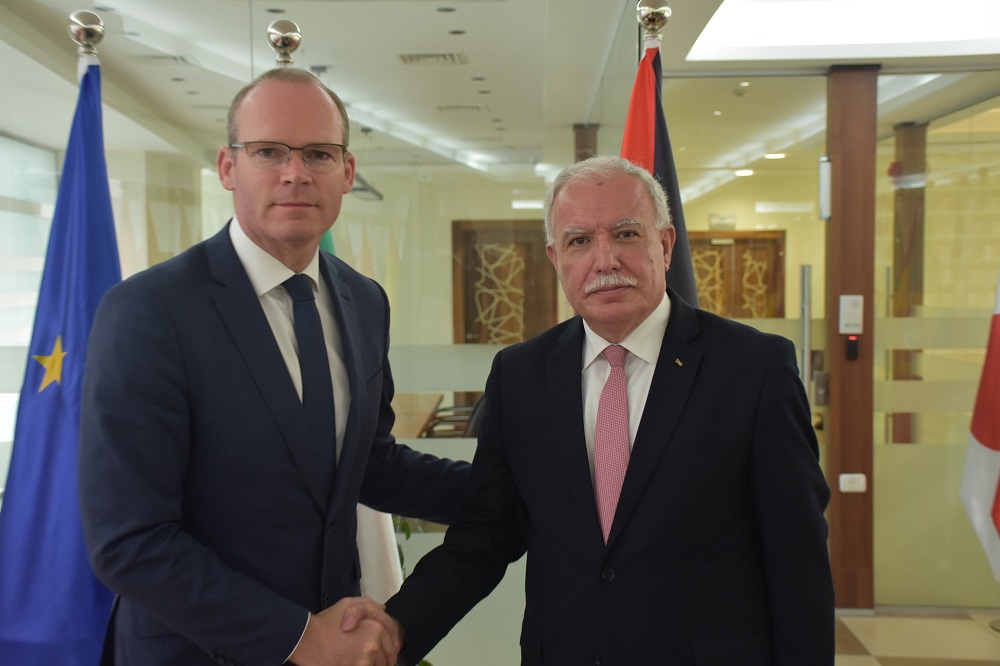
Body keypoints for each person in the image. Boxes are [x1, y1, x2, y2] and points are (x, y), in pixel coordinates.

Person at [78, 67, 470, 666]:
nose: (295, 173)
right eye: (268, 151)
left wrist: (520, 486)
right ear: (228, 167)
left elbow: (369, 465)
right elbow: (129, 540)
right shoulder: (149, 310)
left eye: (318, 153)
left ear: (347, 171)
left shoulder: (364, 301)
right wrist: (300, 637)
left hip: (337, 642)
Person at [376, 155, 835, 664]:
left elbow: (798, 561)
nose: (605, 260)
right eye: (579, 241)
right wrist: (395, 630)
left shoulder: (755, 369)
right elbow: (487, 532)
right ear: (556, 258)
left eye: (625, 234)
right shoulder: (520, 376)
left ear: (665, 244)